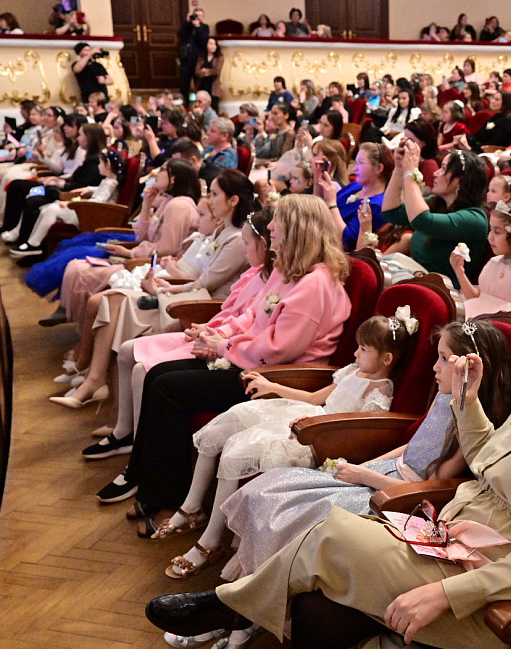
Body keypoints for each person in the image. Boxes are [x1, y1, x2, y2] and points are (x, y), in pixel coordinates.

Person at [146, 293, 511, 649]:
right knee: (318, 610)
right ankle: (235, 606)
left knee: (334, 534)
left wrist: (446, 593)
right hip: (450, 537)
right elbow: (489, 461)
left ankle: (229, 605)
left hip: (496, 584)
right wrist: (468, 403)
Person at [101, 194, 352, 516]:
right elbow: (253, 317)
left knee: (169, 389)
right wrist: (219, 335)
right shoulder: (288, 269)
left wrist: (223, 346)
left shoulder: (316, 283)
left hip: (277, 378)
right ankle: (143, 475)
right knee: (157, 374)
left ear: (298, 229)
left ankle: (163, 493)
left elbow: (279, 349)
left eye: (279, 221)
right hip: (250, 360)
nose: (271, 226)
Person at [155, 310, 418, 584]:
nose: (355, 354)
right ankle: (191, 506)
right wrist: (273, 386)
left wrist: (316, 424)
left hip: (319, 433)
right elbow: (314, 397)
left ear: (386, 359)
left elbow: (362, 433)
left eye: (363, 349)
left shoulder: (380, 389)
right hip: (308, 412)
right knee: (227, 423)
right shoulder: (353, 370)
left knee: (236, 450)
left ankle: (211, 540)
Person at [57, 171, 253, 413]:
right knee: (111, 300)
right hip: (189, 294)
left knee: (115, 304)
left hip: (201, 306)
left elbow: (206, 283)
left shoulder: (236, 238)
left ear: (233, 200)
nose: (210, 200)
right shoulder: (220, 230)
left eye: (214, 194)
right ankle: (96, 381)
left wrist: (167, 289)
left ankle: (101, 390)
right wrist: (168, 286)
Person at [49, 158, 201, 327]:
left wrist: (129, 253)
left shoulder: (178, 205)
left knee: (80, 269)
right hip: (144, 256)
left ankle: (76, 319)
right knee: (75, 265)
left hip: (154, 266)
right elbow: (142, 236)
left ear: (174, 179)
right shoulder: (168, 201)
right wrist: (147, 204)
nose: (156, 173)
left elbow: (168, 249)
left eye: (163, 170)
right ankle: (71, 314)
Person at [381, 147, 489, 285]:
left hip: (441, 291)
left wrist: (410, 173)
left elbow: (422, 221)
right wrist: (399, 168)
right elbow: (392, 213)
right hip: (415, 278)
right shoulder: (437, 203)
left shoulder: (474, 219)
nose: (436, 173)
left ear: (459, 181)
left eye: (443, 168)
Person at [10, 148, 123, 259]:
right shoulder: (108, 181)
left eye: (100, 163)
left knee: (51, 209)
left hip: (90, 214)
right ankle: (31, 242)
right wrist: (88, 189)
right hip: (81, 205)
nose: (98, 165)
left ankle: (33, 244)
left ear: (108, 165)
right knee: (44, 206)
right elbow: (99, 189)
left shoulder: (110, 183)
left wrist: (71, 203)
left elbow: (98, 201)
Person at [316, 142, 393, 251]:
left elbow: (347, 242)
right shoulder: (355, 186)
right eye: (355, 163)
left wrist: (331, 204)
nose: (355, 169)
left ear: (379, 168)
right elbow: (320, 210)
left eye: (360, 163)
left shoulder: (377, 204)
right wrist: (318, 178)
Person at [177, 8, 209, 106]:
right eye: (196, 15)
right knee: (184, 84)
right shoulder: (188, 27)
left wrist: (198, 27)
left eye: (200, 15)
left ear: (202, 17)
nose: (197, 17)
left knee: (198, 84)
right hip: (186, 59)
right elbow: (180, 36)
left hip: (198, 61)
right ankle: (184, 105)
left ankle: (198, 104)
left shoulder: (204, 27)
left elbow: (204, 41)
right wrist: (187, 22)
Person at [200, 117, 238, 183]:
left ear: (224, 136)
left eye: (212, 131)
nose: (208, 133)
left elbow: (214, 178)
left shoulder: (228, 156)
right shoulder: (211, 148)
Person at [195, 37, 223, 112]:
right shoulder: (201, 57)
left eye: (215, 44)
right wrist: (205, 72)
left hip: (213, 86)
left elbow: (216, 71)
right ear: (206, 45)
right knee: (200, 106)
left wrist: (206, 71)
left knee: (214, 108)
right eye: (211, 44)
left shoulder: (219, 57)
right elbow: (197, 71)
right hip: (202, 85)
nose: (213, 46)